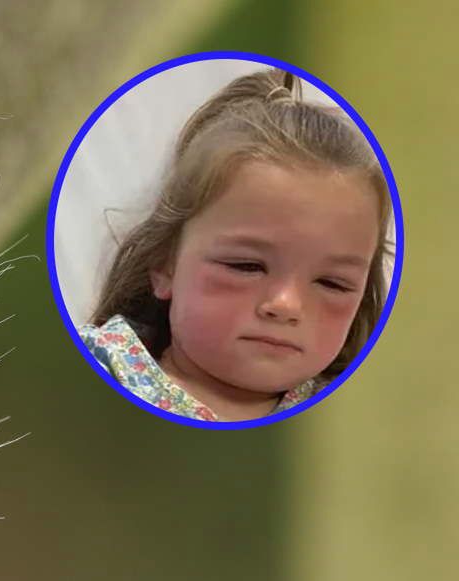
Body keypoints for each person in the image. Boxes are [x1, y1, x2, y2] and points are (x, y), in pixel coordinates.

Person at [79, 67, 392, 422]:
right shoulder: (97, 366)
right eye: (246, 266)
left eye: (331, 283)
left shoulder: (356, 419)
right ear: (166, 264)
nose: (285, 305)